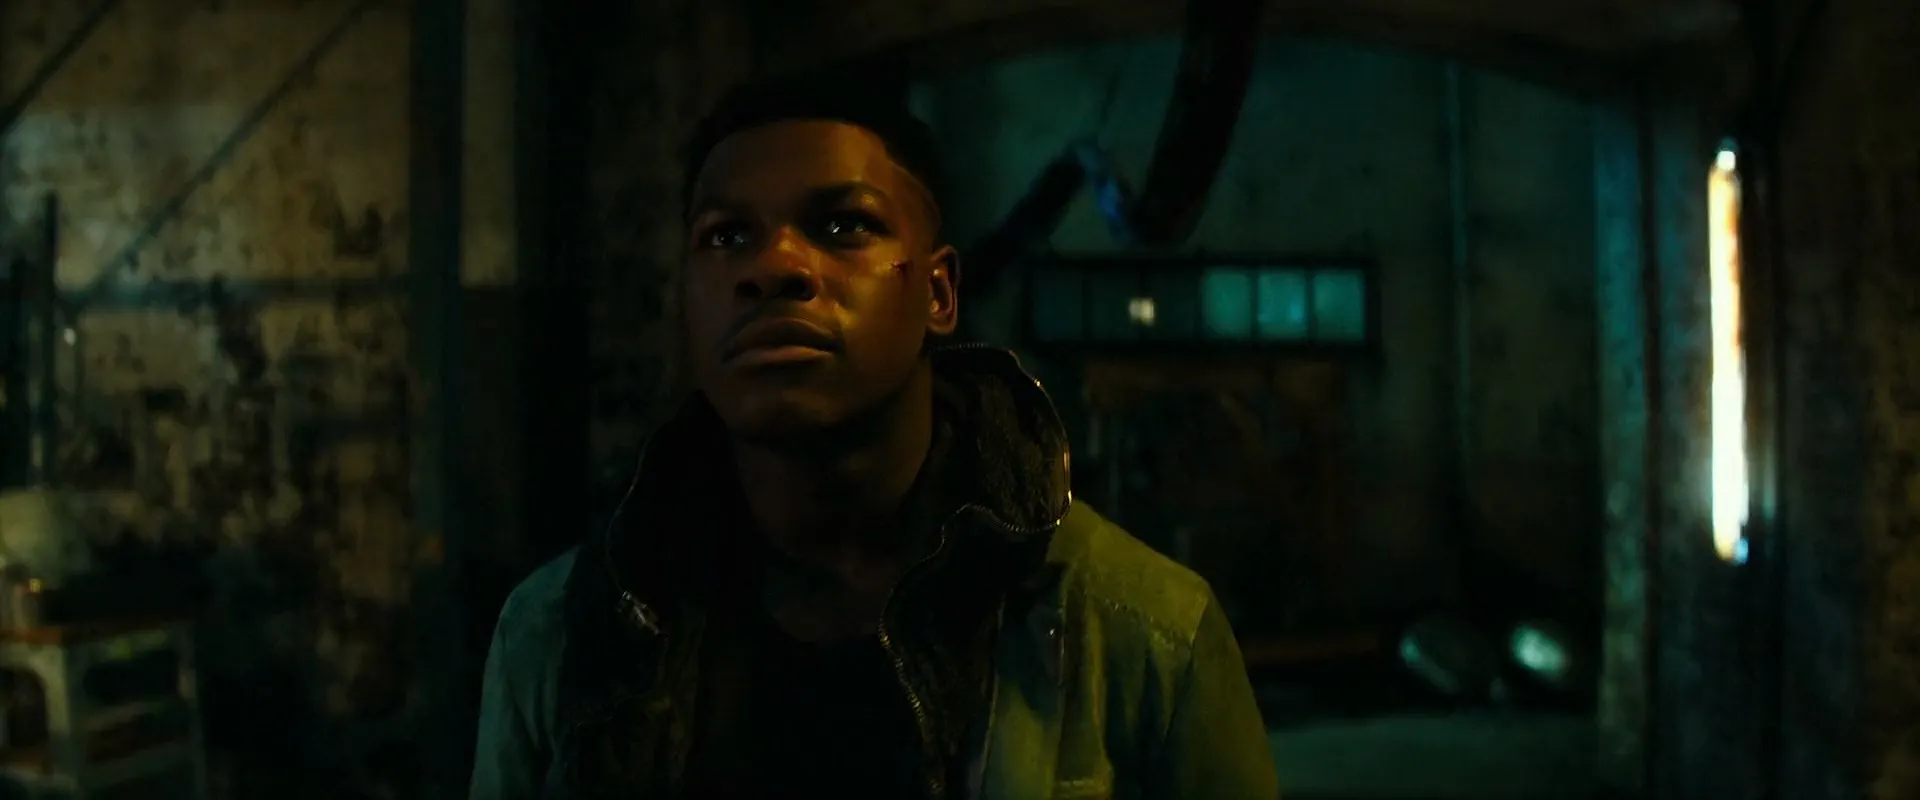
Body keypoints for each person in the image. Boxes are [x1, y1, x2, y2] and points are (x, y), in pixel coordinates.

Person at [469, 67, 1279, 799]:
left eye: (841, 226)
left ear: (938, 292)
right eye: (726, 236)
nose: (775, 266)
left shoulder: (1145, 634)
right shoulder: (560, 636)